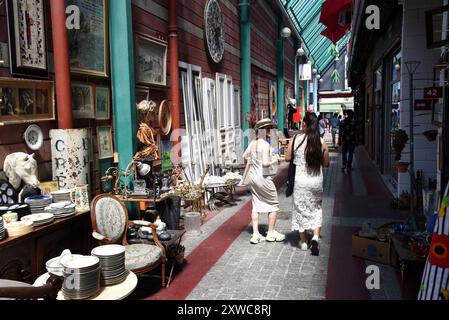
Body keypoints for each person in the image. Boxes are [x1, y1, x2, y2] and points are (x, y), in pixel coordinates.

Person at [285, 113, 330, 256]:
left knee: (300, 209)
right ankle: (315, 237)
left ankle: (303, 242)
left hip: (301, 181)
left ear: (304, 124)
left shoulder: (296, 139)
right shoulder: (321, 142)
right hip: (316, 181)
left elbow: (287, 158)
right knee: (316, 208)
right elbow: (326, 163)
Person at [243, 119, 285, 244]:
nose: (270, 131)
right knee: (273, 204)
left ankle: (255, 234)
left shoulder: (252, 143)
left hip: (253, 178)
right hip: (263, 178)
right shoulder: (265, 145)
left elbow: (244, 156)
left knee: (256, 205)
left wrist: (253, 159)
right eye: (269, 129)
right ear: (264, 130)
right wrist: (275, 161)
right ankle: (270, 232)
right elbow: (266, 163)